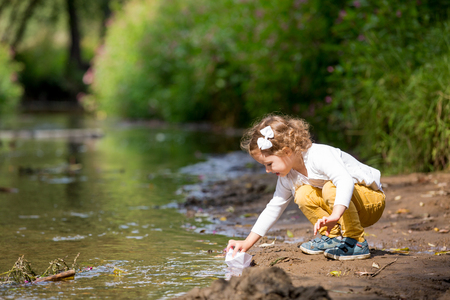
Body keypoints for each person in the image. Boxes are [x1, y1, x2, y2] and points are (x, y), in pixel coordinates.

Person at [226, 114, 385, 261]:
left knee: (331, 188)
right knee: (302, 193)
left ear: (287, 151)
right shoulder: (288, 176)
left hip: (370, 202)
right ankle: (332, 238)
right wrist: (247, 242)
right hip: (345, 212)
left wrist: (335, 215)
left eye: (269, 164)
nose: (267, 170)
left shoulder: (318, 155)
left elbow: (345, 181)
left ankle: (356, 241)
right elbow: (274, 207)